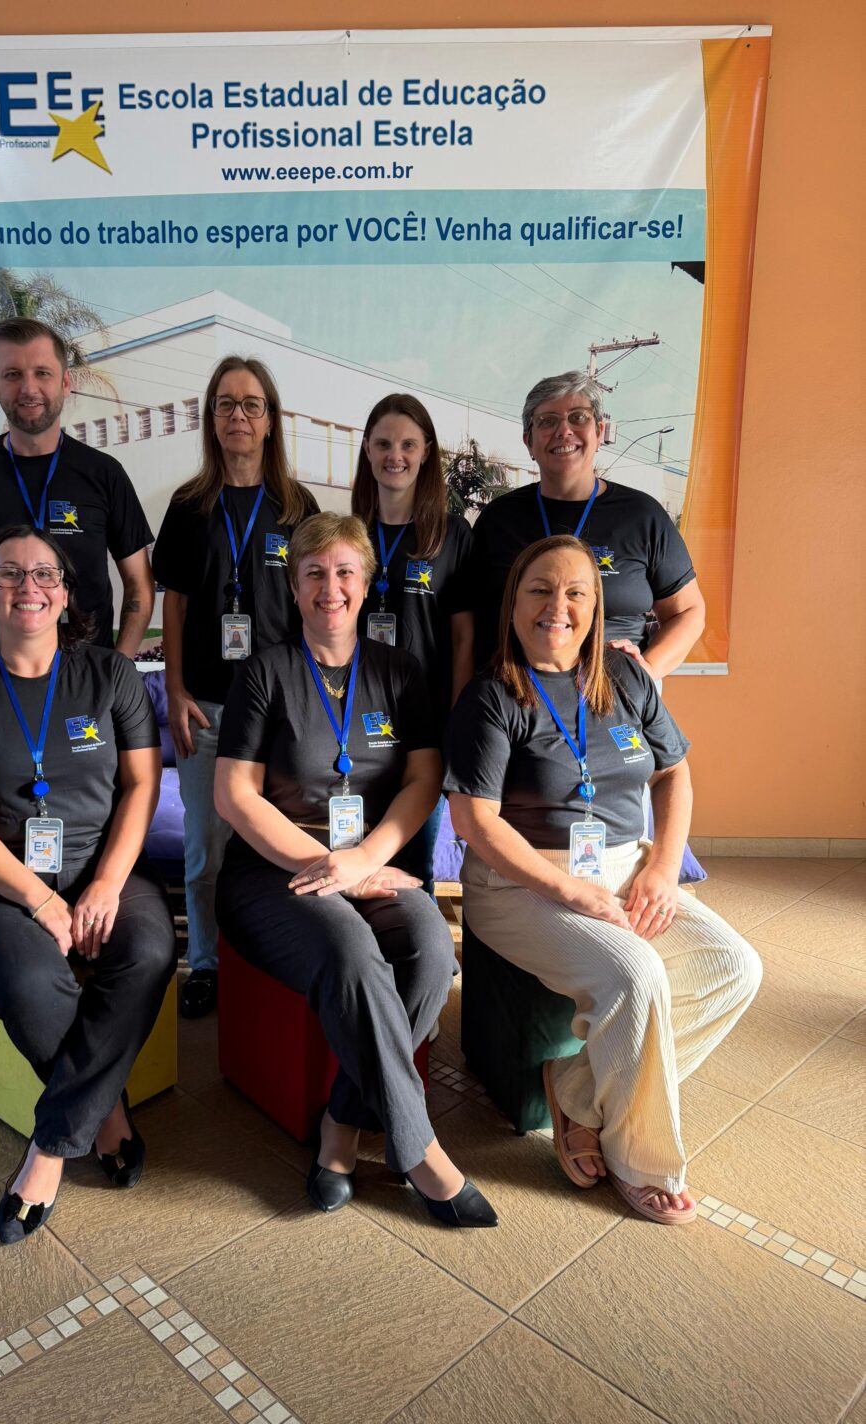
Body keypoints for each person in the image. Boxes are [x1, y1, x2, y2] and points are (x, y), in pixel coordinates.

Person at [445, 535, 760, 1224]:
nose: (556, 607)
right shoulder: (491, 696)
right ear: (513, 602)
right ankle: (640, 1158)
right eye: (539, 590)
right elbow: (474, 821)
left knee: (733, 966)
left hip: (625, 868)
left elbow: (674, 774)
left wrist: (662, 868)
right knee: (634, 975)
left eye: (575, 593)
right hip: (520, 884)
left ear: (596, 607)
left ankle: (577, 1090)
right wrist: (571, 891)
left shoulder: (627, 676)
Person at [213, 513, 497, 1228]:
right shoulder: (264, 672)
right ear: (293, 586)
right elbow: (234, 795)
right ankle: (419, 1149)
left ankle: (342, 1121)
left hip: (367, 865)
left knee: (430, 949)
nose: (329, 587)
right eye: (313, 573)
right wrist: (328, 866)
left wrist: (365, 861)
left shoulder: (399, 672)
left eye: (344, 572)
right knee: (350, 951)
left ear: (367, 585)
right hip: (272, 871)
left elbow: (424, 780)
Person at [0, 524, 177, 1244]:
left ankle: (52, 1145)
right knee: (29, 982)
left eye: (44, 574)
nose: (27, 586)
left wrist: (106, 885)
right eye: (8, 573)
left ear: (65, 595)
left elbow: (141, 786)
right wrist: (38, 898)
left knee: (150, 952)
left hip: (102, 865)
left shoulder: (111, 677)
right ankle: (107, 1113)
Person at [152, 356, 319, 1019]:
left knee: (279, 843)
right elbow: (174, 605)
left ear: (270, 420)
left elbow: (314, 609)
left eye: (252, 404)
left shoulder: (297, 508)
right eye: (226, 404)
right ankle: (208, 964)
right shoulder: (189, 506)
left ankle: (269, 960)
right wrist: (174, 690)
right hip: (207, 708)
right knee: (206, 849)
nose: (239, 416)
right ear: (211, 419)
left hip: (278, 713)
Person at [0, 317, 155, 671]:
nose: (29, 388)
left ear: (65, 382)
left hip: (89, 681)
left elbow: (139, 584)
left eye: (42, 373)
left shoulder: (104, 474)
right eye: (13, 374)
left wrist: (119, 669)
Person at [470, 371, 705, 677]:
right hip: (513, 694)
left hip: (614, 694)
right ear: (529, 441)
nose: (563, 431)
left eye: (578, 417)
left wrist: (645, 674)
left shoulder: (642, 516)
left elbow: (688, 611)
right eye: (547, 421)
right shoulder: (498, 519)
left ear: (599, 431)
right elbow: (466, 621)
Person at [351, 394, 474, 890]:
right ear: (367, 450)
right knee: (354, 852)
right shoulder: (351, 533)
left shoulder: (452, 535)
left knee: (412, 865)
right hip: (355, 717)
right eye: (383, 444)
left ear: (426, 452)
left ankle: (414, 937)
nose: (394, 455)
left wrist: (457, 720)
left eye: (407, 444)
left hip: (425, 725)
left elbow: (463, 637)